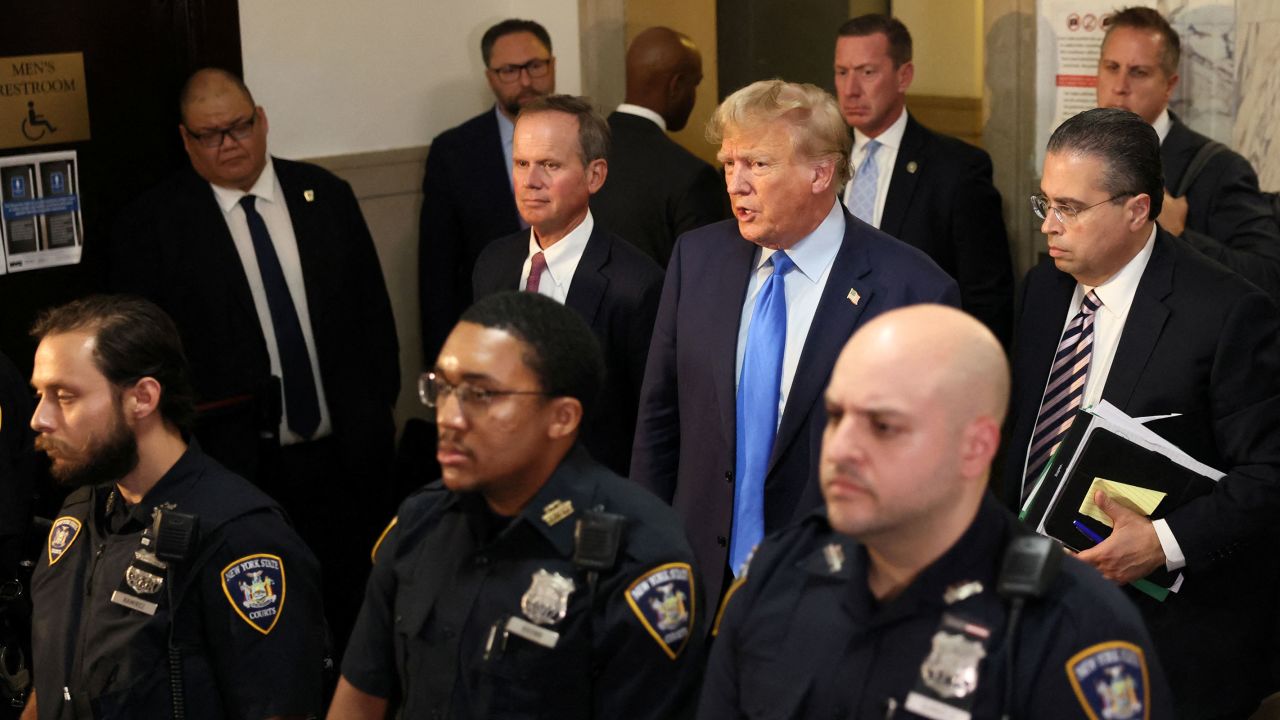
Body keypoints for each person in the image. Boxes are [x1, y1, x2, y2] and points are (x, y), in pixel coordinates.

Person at [700, 304, 1172, 718]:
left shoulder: (1068, 626)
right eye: (837, 417)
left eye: (883, 426)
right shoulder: (779, 574)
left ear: (975, 448)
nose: (840, 449)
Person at [630, 79, 959, 602]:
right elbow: (659, 418)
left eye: (757, 165)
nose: (735, 184)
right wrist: (648, 554)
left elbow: (926, 470)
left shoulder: (911, 289)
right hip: (693, 579)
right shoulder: (697, 259)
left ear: (820, 173)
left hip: (833, 589)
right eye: (729, 164)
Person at [107, 67, 399, 655]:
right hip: (235, 471)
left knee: (360, 623)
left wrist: (372, 417)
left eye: (240, 126)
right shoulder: (154, 226)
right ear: (187, 140)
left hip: (347, 461)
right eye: (210, 133)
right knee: (263, 634)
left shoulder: (325, 196)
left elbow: (375, 324)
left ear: (262, 121)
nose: (230, 143)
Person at [1004, 107, 1280, 717]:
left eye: (1070, 208)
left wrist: (1162, 542)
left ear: (1136, 209)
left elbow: (1269, 475)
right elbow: (1021, 438)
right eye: (1044, 203)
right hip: (1041, 606)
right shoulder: (1042, 289)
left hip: (1170, 632)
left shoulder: (1227, 312)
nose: (1049, 224)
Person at [331, 291, 704, 719]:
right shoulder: (421, 521)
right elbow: (359, 699)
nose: (450, 417)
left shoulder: (639, 556)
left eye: (482, 394)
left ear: (562, 417)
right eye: (444, 388)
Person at [23, 295, 325, 720]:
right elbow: (58, 679)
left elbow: (278, 705)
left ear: (142, 399)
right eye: (40, 394)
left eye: (64, 396)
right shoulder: (79, 514)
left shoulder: (237, 535)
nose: (40, 418)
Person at [472, 95, 663, 476]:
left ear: (595, 175)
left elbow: (651, 424)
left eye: (550, 165)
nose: (530, 181)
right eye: (522, 163)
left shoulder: (637, 285)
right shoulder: (493, 263)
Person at [834, 14, 1014, 345]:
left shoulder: (957, 169)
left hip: (920, 361)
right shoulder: (823, 160)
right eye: (842, 72)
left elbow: (986, 297)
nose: (850, 90)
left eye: (867, 72)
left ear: (904, 76)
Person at [1096, 6, 1280, 298]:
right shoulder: (1080, 157)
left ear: (1169, 85)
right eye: (1111, 67)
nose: (1120, 87)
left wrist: (1181, 235)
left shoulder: (1220, 169)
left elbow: (1267, 276)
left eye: (1138, 72)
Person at [420, 18, 556, 365]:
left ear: (552, 65)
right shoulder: (454, 152)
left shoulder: (587, 135)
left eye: (535, 66)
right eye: (509, 70)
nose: (525, 81)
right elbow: (438, 272)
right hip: (492, 335)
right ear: (490, 77)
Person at [590, 26, 726, 267]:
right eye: (694, 86)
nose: (694, 98)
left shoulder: (581, 150)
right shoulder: (691, 177)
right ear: (676, 85)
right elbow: (707, 276)